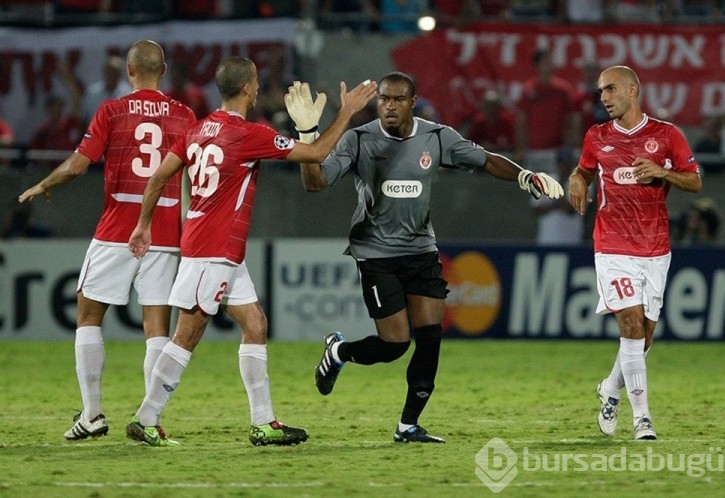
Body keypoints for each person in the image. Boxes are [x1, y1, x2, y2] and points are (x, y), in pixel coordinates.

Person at [296, 71, 564, 443]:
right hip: (376, 254)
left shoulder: (436, 137)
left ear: (412, 102)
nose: (389, 106)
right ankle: (338, 351)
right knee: (394, 345)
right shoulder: (358, 140)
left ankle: (408, 425)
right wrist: (308, 136)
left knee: (431, 336)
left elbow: (484, 159)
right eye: (383, 99)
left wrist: (525, 177)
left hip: (421, 250)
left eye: (397, 100)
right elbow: (315, 182)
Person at [125, 56, 377, 447]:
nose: (259, 88)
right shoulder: (248, 134)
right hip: (214, 249)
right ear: (247, 88)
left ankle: (263, 423)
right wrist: (346, 112)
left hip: (219, 249)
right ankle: (146, 417)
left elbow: (158, 176)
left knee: (255, 324)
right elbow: (316, 155)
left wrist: (143, 223)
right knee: (187, 334)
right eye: (257, 82)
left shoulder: (196, 131)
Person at [18, 40, 196, 441]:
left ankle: (94, 413)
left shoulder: (113, 111)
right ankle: (149, 420)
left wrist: (45, 182)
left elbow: (79, 165)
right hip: (165, 232)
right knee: (156, 328)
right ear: (163, 70)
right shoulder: (184, 115)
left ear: (130, 72)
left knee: (88, 316)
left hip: (118, 228)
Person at [569, 65, 702, 441]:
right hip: (612, 245)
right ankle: (642, 418)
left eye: (610, 89)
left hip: (655, 248)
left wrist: (663, 172)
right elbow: (582, 171)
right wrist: (576, 181)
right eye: (600, 91)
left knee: (643, 338)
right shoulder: (596, 137)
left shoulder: (666, 134)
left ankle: (610, 390)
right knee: (629, 324)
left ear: (633, 89)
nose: (604, 98)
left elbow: (694, 180)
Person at [514, 48, 580, 176]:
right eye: (546, 62)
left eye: (551, 61)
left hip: (559, 149)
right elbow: (521, 120)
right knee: (539, 190)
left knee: (560, 187)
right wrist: (520, 148)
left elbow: (573, 117)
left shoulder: (563, 89)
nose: (550, 64)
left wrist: (574, 143)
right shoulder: (528, 90)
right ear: (536, 65)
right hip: (535, 149)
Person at [80, 56, 131, 125]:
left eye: (115, 72)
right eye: (109, 72)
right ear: (104, 72)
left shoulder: (129, 93)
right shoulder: (92, 93)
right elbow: (84, 118)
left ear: (120, 74)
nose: (112, 76)